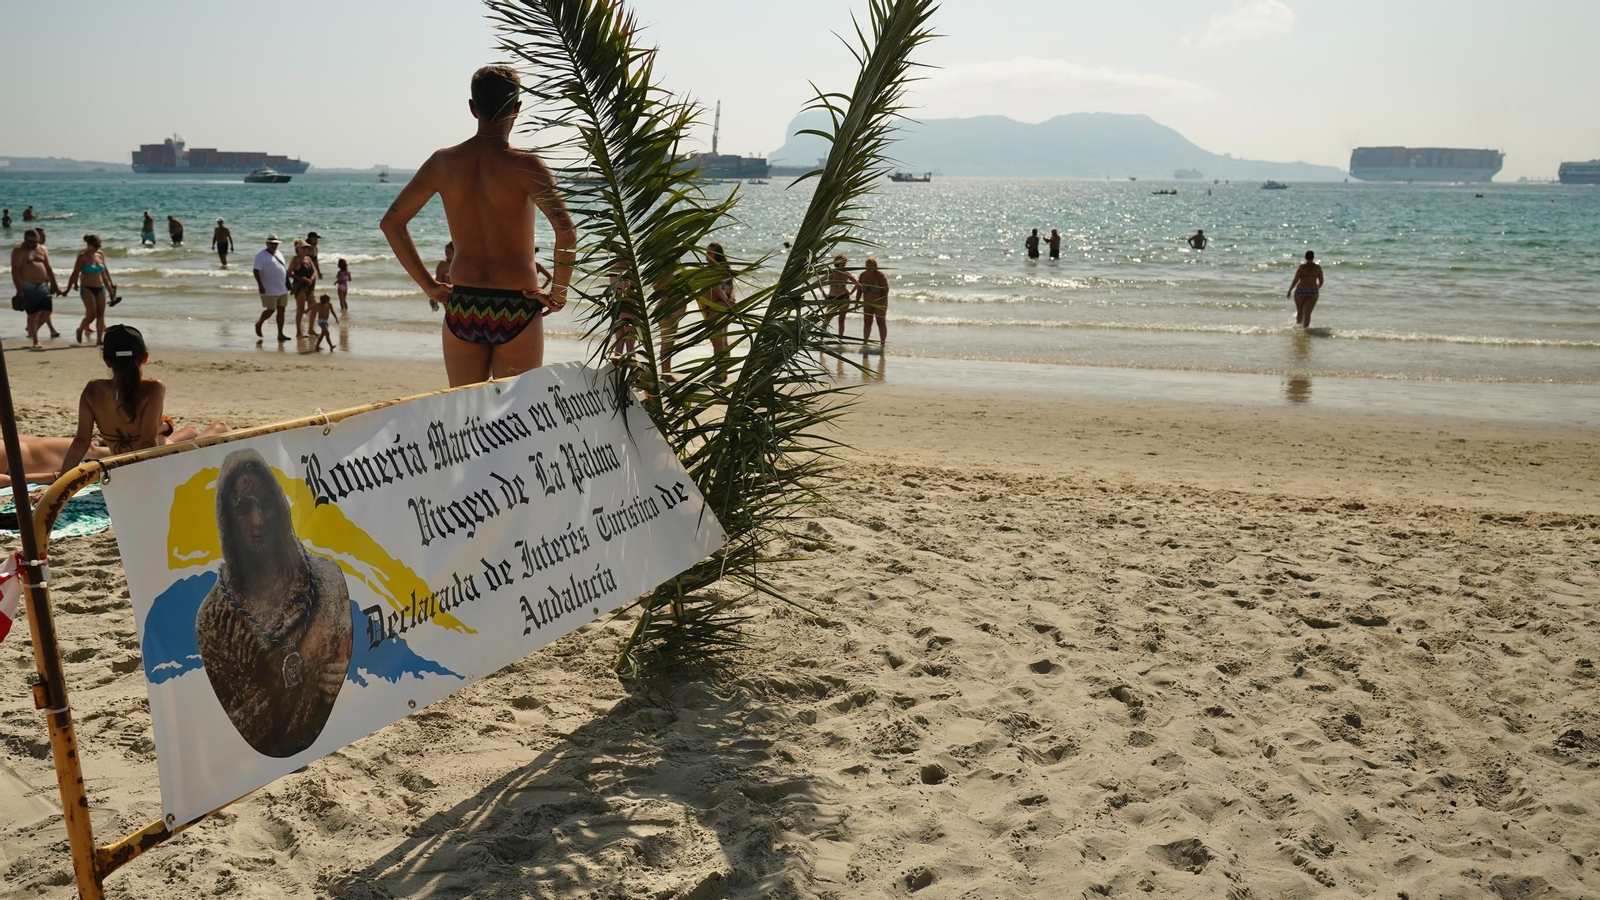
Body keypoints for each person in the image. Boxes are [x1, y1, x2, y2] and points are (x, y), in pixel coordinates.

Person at [381, 65, 576, 386]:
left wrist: (430, 286)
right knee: (517, 412)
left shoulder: (443, 162)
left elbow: (392, 223)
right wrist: (558, 294)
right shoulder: (527, 166)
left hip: (464, 306)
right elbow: (566, 233)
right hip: (517, 305)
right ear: (517, 108)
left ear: (473, 108)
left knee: (465, 410)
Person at [195, 448, 352, 759]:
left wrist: (340, 673)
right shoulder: (213, 618)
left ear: (279, 508)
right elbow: (232, 724)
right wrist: (274, 692)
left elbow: (346, 652)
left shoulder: (328, 580)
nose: (257, 521)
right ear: (227, 518)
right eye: (243, 508)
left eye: (265, 504)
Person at [58, 324, 230, 473]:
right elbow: (147, 443)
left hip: (123, 466)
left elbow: (81, 442)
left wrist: (60, 486)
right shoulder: (154, 388)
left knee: (190, 430)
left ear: (107, 361)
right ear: (145, 357)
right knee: (220, 426)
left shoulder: (92, 390)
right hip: (154, 463)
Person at [11, 229, 62, 350]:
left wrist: (54, 285)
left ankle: (33, 329)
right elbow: (15, 271)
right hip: (27, 285)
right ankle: (36, 340)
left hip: (42, 284)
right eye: (32, 242)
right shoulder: (18, 251)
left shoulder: (41, 249)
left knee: (47, 310)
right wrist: (19, 289)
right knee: (33, 313)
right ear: (25, 239)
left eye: (36, 242)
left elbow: (48, 268)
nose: (34, 244)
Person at [65, 234, 115, 346]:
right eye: (95, 246)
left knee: (101, 314)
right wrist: (68, 289)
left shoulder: (100, 255)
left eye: (99, 246)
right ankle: (80, 329)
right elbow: (75, 273)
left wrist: (110, 290)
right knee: (92, 314)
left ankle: (99, 340)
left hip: (100, 288)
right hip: (87, 288)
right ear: (88, 244)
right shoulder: (82, 257)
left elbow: (104, 275)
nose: (97, 248)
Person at [698, 242, 733, 364]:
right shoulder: (725, 269)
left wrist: (725, 300)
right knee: (723, 341)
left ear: (717, 255)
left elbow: (718, 291)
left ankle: (720, 371)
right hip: (723, 307)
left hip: (715, 308)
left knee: (718, 343)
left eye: (710, 253)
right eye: (707, 252)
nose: (707, 255)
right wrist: (729, 302)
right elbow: (730, 289)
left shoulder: (712, 271)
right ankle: (724, 370)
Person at [253, 235, 291, 343]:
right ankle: (260, 322)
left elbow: (284, 269)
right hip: (269, 288)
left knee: (282, 310)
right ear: (267, 244)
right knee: (271, 309)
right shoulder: (261, 255)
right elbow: (256, 271)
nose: (274, 246)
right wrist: (260, 285)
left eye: (276, 244)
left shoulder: (280, 254)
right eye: (272, 244)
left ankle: (280, 333)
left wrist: (288, 284)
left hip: (282, 287)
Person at [288, 240, 319, 337]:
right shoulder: (295, 260)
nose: (305, 250)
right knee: (300, 309)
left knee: (314, 307)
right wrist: (302, 279)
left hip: (309, 287)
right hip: (300, 287)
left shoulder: (308, 259)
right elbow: (288, 273)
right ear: (298, 249)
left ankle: (311, 329)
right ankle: (299, 332)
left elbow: (314, 271)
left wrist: (311, 279)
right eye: (303, 248)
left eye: (306, 248)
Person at [1288, 250, 1324, 328]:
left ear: (1305, 257)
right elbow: (1321, 281)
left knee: (1300, 312)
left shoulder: (1301, 267)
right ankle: (1305, 330)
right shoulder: (1317, 267)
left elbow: (1295, 280)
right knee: (1307, 313)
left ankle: (1298, 329)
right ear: (1313, 257)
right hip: (1312, 291)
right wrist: (1317, 288)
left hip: (1300, 290)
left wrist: (1290, 290)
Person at [858, 256, 889, 347]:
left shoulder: (880, 276)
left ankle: (882, 343)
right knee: (867, 323)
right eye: (867, 266)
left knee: (881, 323)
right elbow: (859, 289)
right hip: (867, 303)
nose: (868, 268)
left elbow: (886, 290)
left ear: (875, 266)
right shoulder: (863, 275)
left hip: (879, 304)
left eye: (871, 266)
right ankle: (865, 342)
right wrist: (857, 302)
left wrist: (882, 303)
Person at [825, 254, 857, 338]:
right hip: (832, 298)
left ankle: (840, 339)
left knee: (841, 320)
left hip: (844, 297)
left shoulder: (846, 273)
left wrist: (851, 293)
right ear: (837, 262)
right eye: (841, 262)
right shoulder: (831, 273)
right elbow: (819, 282)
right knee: (827, 320)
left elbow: (857, 284)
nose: (843, 264)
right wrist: (823, 293)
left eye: (844, 262)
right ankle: (821, 338)